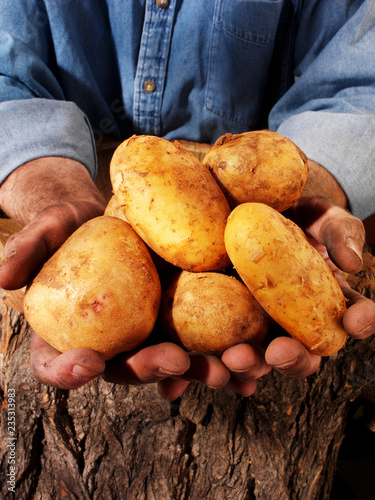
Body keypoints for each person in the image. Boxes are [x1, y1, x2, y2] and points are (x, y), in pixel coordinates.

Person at [0, 0, 374, 401]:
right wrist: (55, 192)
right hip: (91, 181)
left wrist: (310, 189)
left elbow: (359, 87)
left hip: (230, 193)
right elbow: (9, 78)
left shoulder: (237, 218)